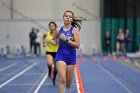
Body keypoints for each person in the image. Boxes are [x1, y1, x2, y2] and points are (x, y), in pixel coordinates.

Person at [53, 10, 85, 93]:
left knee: (68, 83)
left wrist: (66, 39)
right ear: (63, 17)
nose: (68, 18)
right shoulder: (58, 30)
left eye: (70, 17)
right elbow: (54, 39)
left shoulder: (74, 30)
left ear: (72, 20)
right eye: (66, 16)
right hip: (61, 56)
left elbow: (77, 45)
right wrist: (54, 41)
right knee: (62, 79)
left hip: (71, 58)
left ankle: (67, 83)